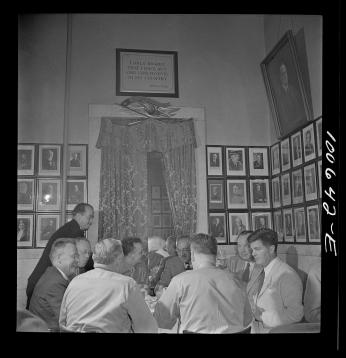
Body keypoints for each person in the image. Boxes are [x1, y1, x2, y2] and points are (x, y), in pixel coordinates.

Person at [153, 233, 252, 333]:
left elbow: (162, 321)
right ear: (216, 254)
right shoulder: (237, 281)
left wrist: (163, 298)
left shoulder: (180, 281)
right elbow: (247, 319)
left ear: (193, 255)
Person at [59, 238, 158, 333]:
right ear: (119, 259)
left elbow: (62, 323)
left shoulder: (75, 282)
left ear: (94, 257)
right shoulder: (127, 285)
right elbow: (148, 329)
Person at [26, 203, 94, 309]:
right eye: (89, 217)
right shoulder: (74, 232)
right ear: (79, 216)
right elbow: (85, 260)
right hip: (44, 285)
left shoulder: (72, 228)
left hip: (40, 281)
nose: (91, 221)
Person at [247, 229, 303, 333]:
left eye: (257, 249)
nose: (253, 253)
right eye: (252, 250)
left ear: (271, 249)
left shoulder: (287, 275)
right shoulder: (261, 272)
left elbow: (295, 314)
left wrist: (262, 317)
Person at [29, 238, 79, 331]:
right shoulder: (55, 283)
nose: (77, 260)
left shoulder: (53, 275)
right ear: (59, 258)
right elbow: (68, 320)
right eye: (74, 256)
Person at [276, 63, 305, 134]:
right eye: (282, 73)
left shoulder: (295, 91)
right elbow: (284, 120)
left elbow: (301, 113)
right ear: (279, 76)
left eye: (286, 73)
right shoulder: (277, 95)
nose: (285, 76)